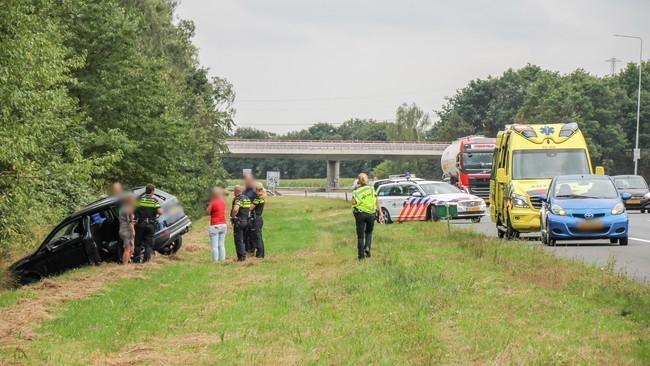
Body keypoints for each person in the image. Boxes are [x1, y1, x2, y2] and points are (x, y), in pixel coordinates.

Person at [351, 173, 381, 260]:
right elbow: (377, 201)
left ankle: (361, 257)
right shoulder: (372, 189)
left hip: (360, 214)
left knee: (360, 236)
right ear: (367, 180)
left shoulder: (356, 192)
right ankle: (367, 248)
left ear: (358, 181)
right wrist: (380, 213)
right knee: (369, 232)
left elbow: (353, 203)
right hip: (371, 214)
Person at [134, 184, 162, 263]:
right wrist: (158, 213)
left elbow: (133, 210)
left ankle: (136, 261)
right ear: (152, 191)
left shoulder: (139, 200)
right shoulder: (154, 200)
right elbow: (160, 212)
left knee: (137, 244)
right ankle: (146, 262)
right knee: (148, 245)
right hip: (150, 224)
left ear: (146, 191)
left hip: (140, 224)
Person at [206, 187, 228, 263]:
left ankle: (215, 261)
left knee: (214, 246)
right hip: (223, 224)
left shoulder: (213, 202)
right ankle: (223, 260)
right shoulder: (223, 201)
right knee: (221, 245)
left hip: (215, 225)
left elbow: (208, 212)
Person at [230, 186, 251, 261]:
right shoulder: (247, 199)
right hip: (246, 221)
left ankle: (241, 258)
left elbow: (235, 209)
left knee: (239, 240)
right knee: (244, 239)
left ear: (236, 191)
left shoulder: (238, 199)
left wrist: (233, 217)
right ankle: (245, 254)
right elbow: (249, 210)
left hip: (239, 221)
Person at [119, 193, 137, 264]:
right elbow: (129, 222)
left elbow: (126, 220)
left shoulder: (122, 208)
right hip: (127, 230)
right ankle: (125, 266)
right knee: (127, 249)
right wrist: (133, 232)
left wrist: (133, 221)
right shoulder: (128, 209)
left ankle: (127, 262)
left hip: (122, 229)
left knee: (131, 249)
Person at [250, 182, 266, 258]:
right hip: (259, 218)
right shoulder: (262, 197)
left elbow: (251, 208)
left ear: (256, 189)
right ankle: (261, 253)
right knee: (259, 236)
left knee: (257, 237)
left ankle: (260, 254)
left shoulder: (257, 199)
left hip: (256, 219)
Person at [243, 175, 258, 253]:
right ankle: (247, 249)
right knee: (245, 233)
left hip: (251, 214)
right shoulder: (245, 190)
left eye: (248, 180)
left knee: (252, 233)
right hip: (244, 214)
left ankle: (252, 249)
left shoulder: (254, 191)